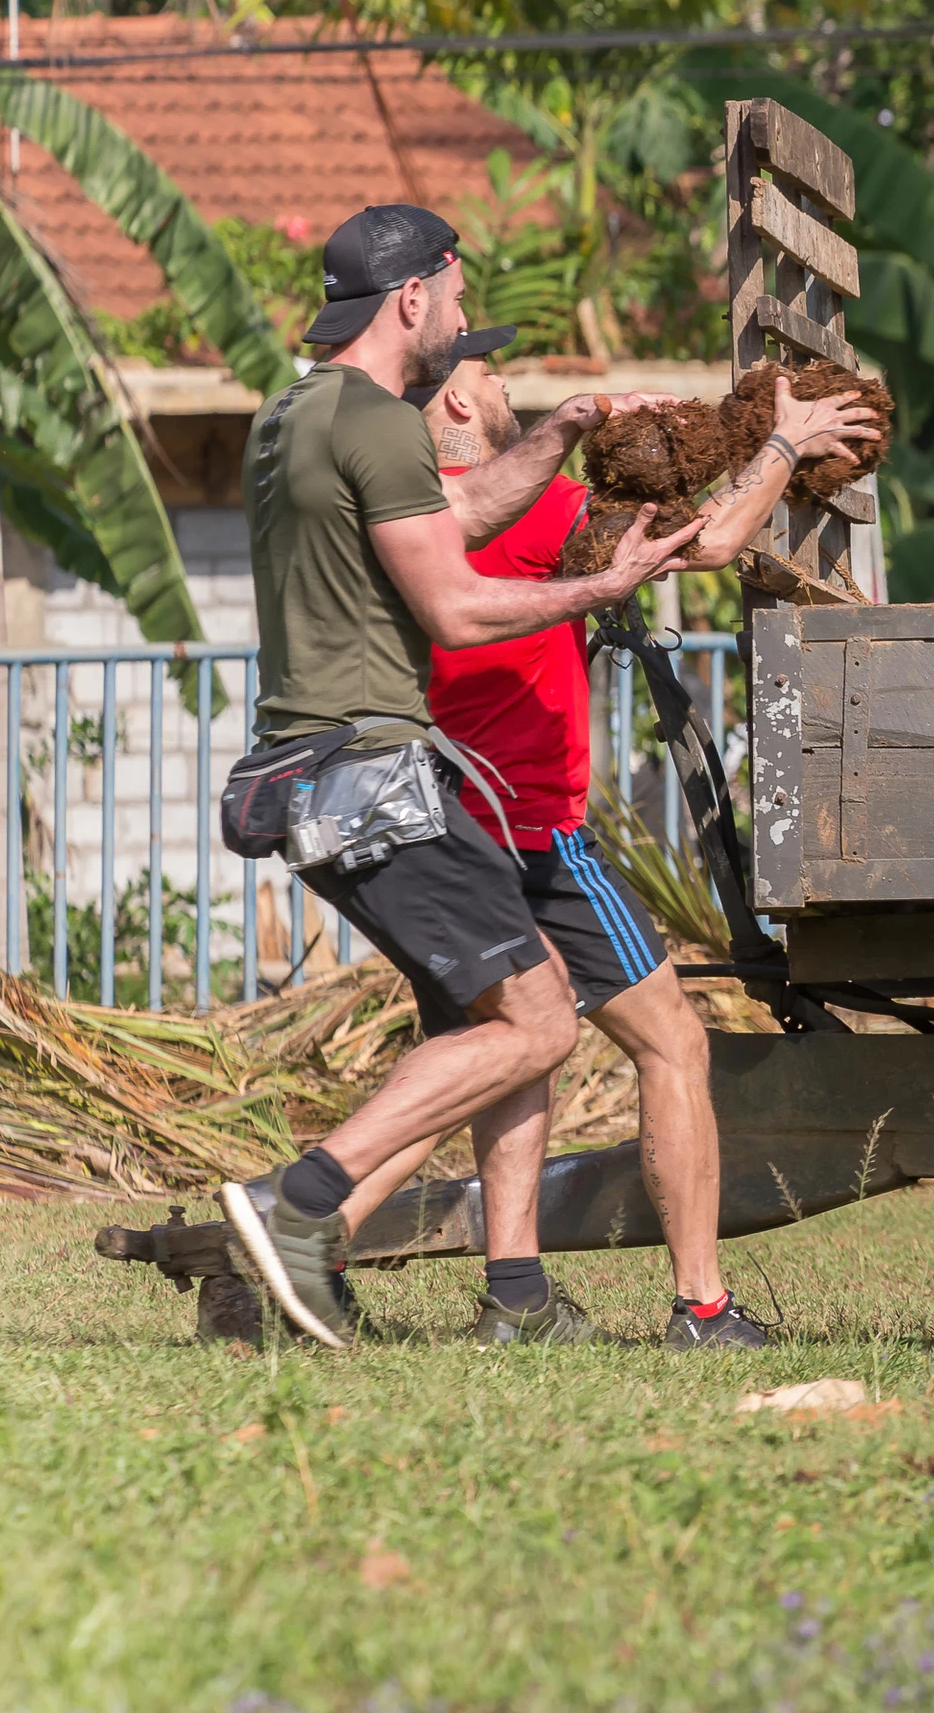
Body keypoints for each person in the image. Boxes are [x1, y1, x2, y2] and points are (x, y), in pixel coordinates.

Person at [329, 327, 883, 1349]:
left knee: (489, 1056)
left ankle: (445, 1279)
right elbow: (705, 545)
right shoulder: (532, 504)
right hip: (535, 835)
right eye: (488, 375)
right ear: (455, 407)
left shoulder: (405, 528)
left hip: (450, 829)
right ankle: (702, 1306)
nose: (502, 385)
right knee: (669, 1041)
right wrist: (782, 443)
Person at [217, 203, 708, 1352]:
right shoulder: (381, 420)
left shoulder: (299, 412)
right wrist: (604, 585)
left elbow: (452, 515)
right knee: (537, 1023)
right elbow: (454, 600)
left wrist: (567, 428)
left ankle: (431, 1270)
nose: (463, 320)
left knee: (506, 1020)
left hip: (315, 769)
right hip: (372, 767)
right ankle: (298, 1206)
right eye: (457, 296)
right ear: (411, 299)